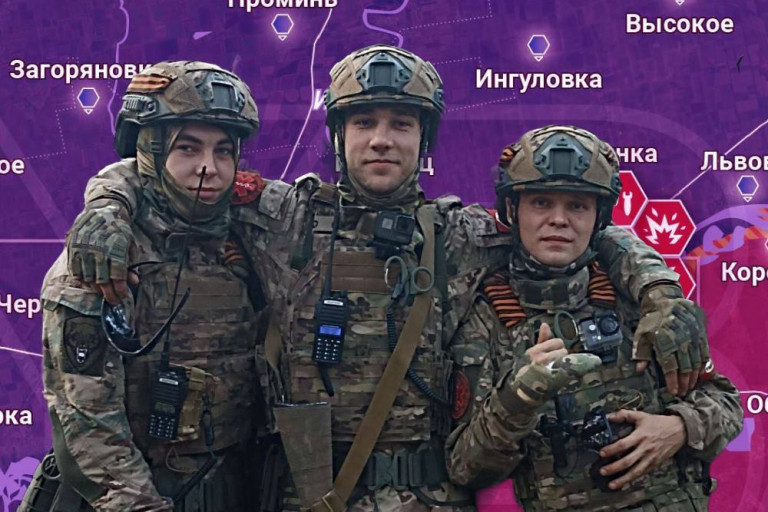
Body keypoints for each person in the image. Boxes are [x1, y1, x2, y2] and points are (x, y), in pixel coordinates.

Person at [62, 47, 705, 511]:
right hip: (308, 494)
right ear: (339, 135)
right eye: (364, 122)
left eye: (401, 124)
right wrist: (104, 208)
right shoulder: (283, 217)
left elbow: (571, 227)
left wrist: (658, 292)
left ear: (423, 140)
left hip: (431, 496)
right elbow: (171, 181)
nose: (381, 141)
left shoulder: (462, 233)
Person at [446, 125, 743, 511]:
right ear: (513, 211)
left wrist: (679, 428)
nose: (558, 220)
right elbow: (465, 468)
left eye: (577, 206)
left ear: (598, 218)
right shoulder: (486, 321)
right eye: (541, 202)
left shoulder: (639, 300)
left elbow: (725, 403)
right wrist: (519, 398)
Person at [19, 61, 267, 511]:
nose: (208, 168)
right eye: (187, 148)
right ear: (149, 153)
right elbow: (88, 427)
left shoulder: (245, 236)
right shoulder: (104, 259)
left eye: (223, 151)